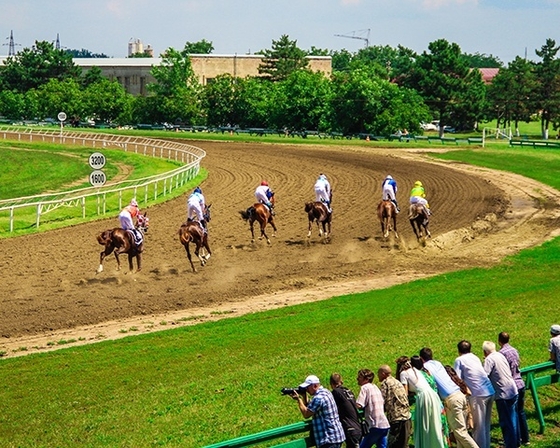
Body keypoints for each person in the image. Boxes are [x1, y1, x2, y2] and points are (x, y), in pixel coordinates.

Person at [419, 347, 479, 448]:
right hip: (460, 394)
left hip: (452, 399)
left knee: (460, 432)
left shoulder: (425, 368)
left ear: (421, 358)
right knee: (461, 431)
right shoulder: (437, 363)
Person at [396, 356, 445, 448]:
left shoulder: (403, 373)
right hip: (432, 395)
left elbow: (404, 393)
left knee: (424, 424)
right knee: (433, 422)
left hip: (423, 397)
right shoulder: (415, 370)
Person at [454, 340, 495, 448]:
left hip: (478, 394)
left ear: (458, 350)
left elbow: (457, 379)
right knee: (485, 425)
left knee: (478, 427)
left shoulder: (459, 360)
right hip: (489, 391)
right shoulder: (475, 357)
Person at [292, 374, 346, 448]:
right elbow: (311, 407)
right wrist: (304, 396)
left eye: (308, 387)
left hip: (328, 438)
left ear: (314, 386)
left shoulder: (318, 398)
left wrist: (299, 399)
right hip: (336, 436)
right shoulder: (326, 392)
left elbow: (306, 414)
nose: (306, 389)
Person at [482, 341, 519, 448]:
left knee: (506, 422)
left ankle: (510, 445)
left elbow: (484, 376)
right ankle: (515, 442)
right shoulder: (500, 355)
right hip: (513, 389)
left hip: (503, 393)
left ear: (485, 352)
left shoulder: (489, 359)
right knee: (513, 419)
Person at [498, 332, 530, 446]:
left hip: (512, 386)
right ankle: (525, 438)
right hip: (520, 383)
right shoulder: (514, 350)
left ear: (499, 341)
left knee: (512, 415)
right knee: (520, 412)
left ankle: (515, 439)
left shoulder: (501, 354)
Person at [377, 365, 411, 448]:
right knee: (404, 444)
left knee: (393, 444)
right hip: (406, 416)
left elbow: (381, 400)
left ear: (383, 373)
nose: (378, 376)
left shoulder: (385, 383)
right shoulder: (397, 382)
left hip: (396, 417)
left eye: (379, 373)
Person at [355, 369, 390, 448]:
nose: (357, 379)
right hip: (384, 424)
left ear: (366, 379)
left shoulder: (365, 388)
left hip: (374, 424)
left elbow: (359, 404)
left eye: (359, 377)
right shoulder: (375, 387)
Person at [330, 373, 363, 448]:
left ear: (331, 383)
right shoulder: (348, 391)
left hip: (349, 428)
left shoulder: (336, 392)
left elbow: (331, 406)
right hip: (358, 427)